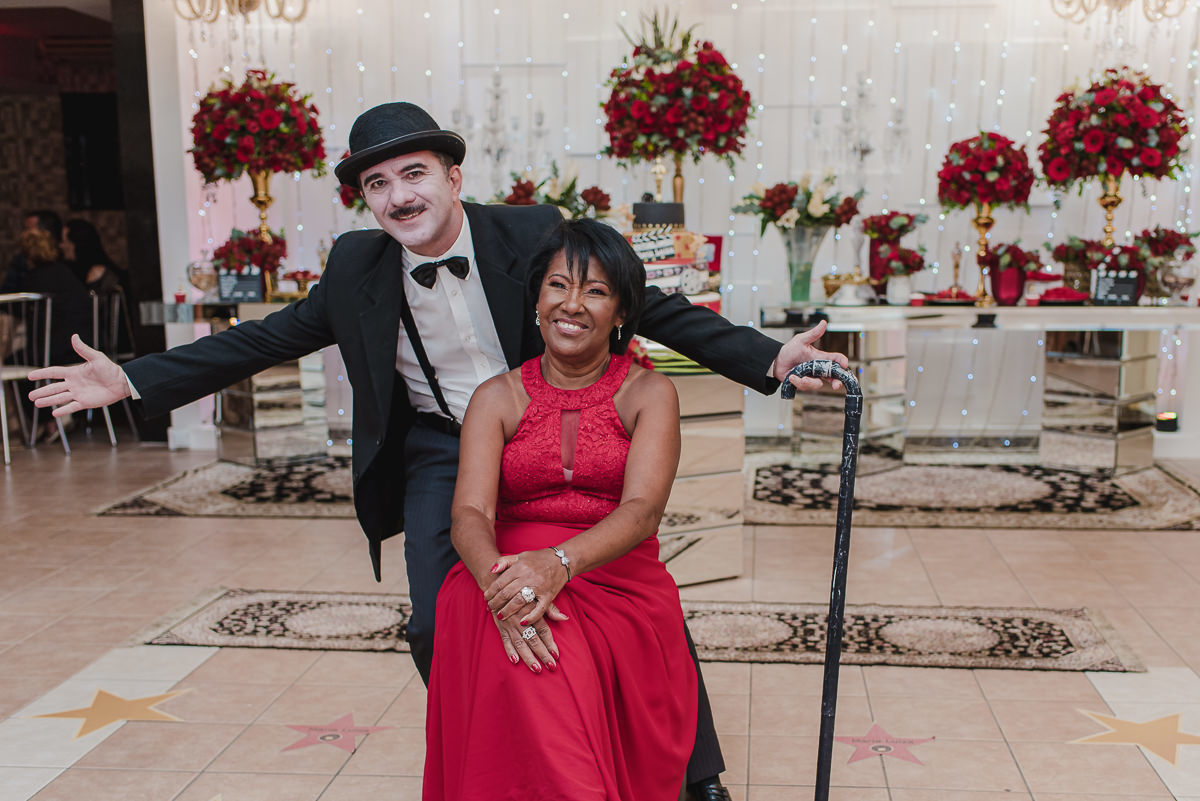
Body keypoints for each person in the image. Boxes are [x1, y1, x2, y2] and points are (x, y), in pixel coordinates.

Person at [29, 101, 846, 801]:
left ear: (454, 177)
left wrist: (767, 358)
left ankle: (695, 771)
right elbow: (263, 338)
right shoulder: (355, 268)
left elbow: (645, 301)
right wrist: (132, 378)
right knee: (435, 625)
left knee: (631, 598)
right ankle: (510, 742)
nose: (398, 196)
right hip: (439, 451)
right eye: (377, 184)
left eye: (413, 174)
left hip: (545, 427)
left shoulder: (529, 233)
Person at [425, 217, 698, 799]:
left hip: (612, 572)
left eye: (595, 291)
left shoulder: (650, 393)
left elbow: (643, 511)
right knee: (522, 645)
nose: (571, 305)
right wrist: (500, 588)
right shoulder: (495, 396)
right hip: (499, 572)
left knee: (552, 651)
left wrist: (557, 564)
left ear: (621, 312)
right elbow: (469, 514)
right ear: (536, 300)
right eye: (558, 285)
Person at [3, 210, 62, 293]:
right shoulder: (22, 260)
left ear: (45, 233)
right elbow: (8, 291)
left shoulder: (64, 260)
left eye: (28, 229)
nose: (23, 234)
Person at [62, 219, 125, 295]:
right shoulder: (68, 270)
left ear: (75, 244)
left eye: (64, 241)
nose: (61, 245)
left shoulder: (97, 272)